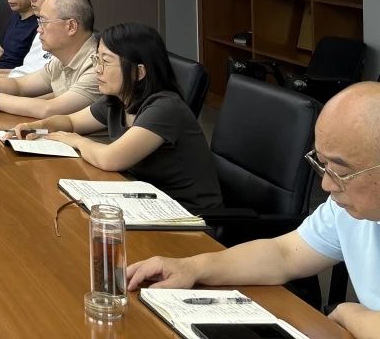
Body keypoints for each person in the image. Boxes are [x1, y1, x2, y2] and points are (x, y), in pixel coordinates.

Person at [128, 82, 380, 337]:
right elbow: (284, 254)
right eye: (322, 164)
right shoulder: (346, 209)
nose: (326, 185)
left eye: (341, 172)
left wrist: (350, 313)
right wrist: (192, 267)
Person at [11, 22, 222, 212]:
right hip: (144, 198)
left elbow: (109, 158)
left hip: (187, 214)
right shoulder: (118, 100)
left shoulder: (165, 108)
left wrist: (75, 140)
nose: (97, 69)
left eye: (106, 61)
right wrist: (38, 126)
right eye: (96, 59)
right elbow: (72, 122)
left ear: (138, 72)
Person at [0, 0, 99, 118]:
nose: (38, 29)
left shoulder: (97, 65)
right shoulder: (60, 60)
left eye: (44, 22)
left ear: (71, 26)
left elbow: (48, 109)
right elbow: (19, 85)